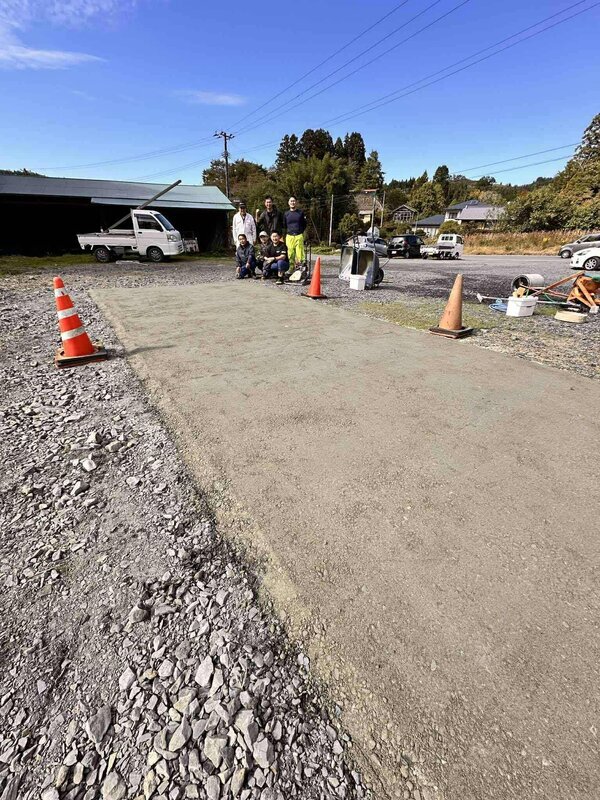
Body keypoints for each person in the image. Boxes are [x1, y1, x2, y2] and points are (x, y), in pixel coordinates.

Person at [283, 196, 307, 272]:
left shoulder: (300, 213)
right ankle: (291, 268)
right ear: (288, 203)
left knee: (300, 253)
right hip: (289, 236)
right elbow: (284, 225)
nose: (292, 202)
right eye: (291, 201)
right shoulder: (286, 214)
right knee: (290, 253)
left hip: (298, 235)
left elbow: (304, 224)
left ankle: (301, 268)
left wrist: (300, 232)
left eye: (294, 201)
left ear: (296, 202)